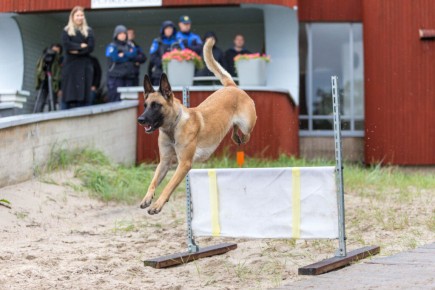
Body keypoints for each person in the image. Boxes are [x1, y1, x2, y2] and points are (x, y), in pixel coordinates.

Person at [61, 6, 94, 109]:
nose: (80, 17)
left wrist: (75, 50)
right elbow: (66, 46)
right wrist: (80, 46)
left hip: (84, 66)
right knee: (69, 92)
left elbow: (90, 47)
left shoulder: (89, 31)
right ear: (72, 17)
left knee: (83, 93)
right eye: (77, 15)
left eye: (81, 15)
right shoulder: (66, 31)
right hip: (70, 67)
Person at [105, 25, 138, 102]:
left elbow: (134, 55)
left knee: (129, 100)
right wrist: (128, 56)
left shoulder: (130, 45)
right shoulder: (111, 46)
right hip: (115, 78)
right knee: (115, 100)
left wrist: (123, 54)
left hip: (128, 77)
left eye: (124, 33)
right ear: (116, 35)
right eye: (120, 33)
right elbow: (115, 58)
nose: (122, 35)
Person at [148, 20, 184, 86]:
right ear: (163, 30)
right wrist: (163, 63)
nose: (169, 30)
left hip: (175, 74)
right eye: (167, 28)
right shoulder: (157, 41)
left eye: (170, 28)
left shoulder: (178, 41)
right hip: (159, 74)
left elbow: (184, 54)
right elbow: (152, 57)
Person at [34, 43, 63, 112]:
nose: (53, 53)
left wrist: (60, 87)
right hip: (45, 80)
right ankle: (36, 115)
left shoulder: (60, 60)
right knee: (40, 100)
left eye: (56, 52)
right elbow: (40, 69)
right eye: (53, 51)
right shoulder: (44, 57)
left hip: (54, 83)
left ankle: (51, 115)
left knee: (52, 100)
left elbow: (61, 74)